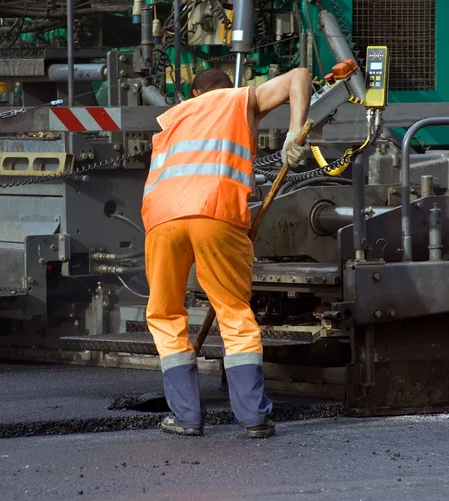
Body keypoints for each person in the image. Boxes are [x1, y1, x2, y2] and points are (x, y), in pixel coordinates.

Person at [141, 67, 312, 438]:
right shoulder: (236, 100)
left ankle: (186, 417)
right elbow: (300, 75)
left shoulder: (172, 117)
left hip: (160, 218)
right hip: (214, 212)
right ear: (225, 88)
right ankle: (253, 417)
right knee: (232, 310)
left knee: (166, 314)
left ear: (192, 91)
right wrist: (295, 131)